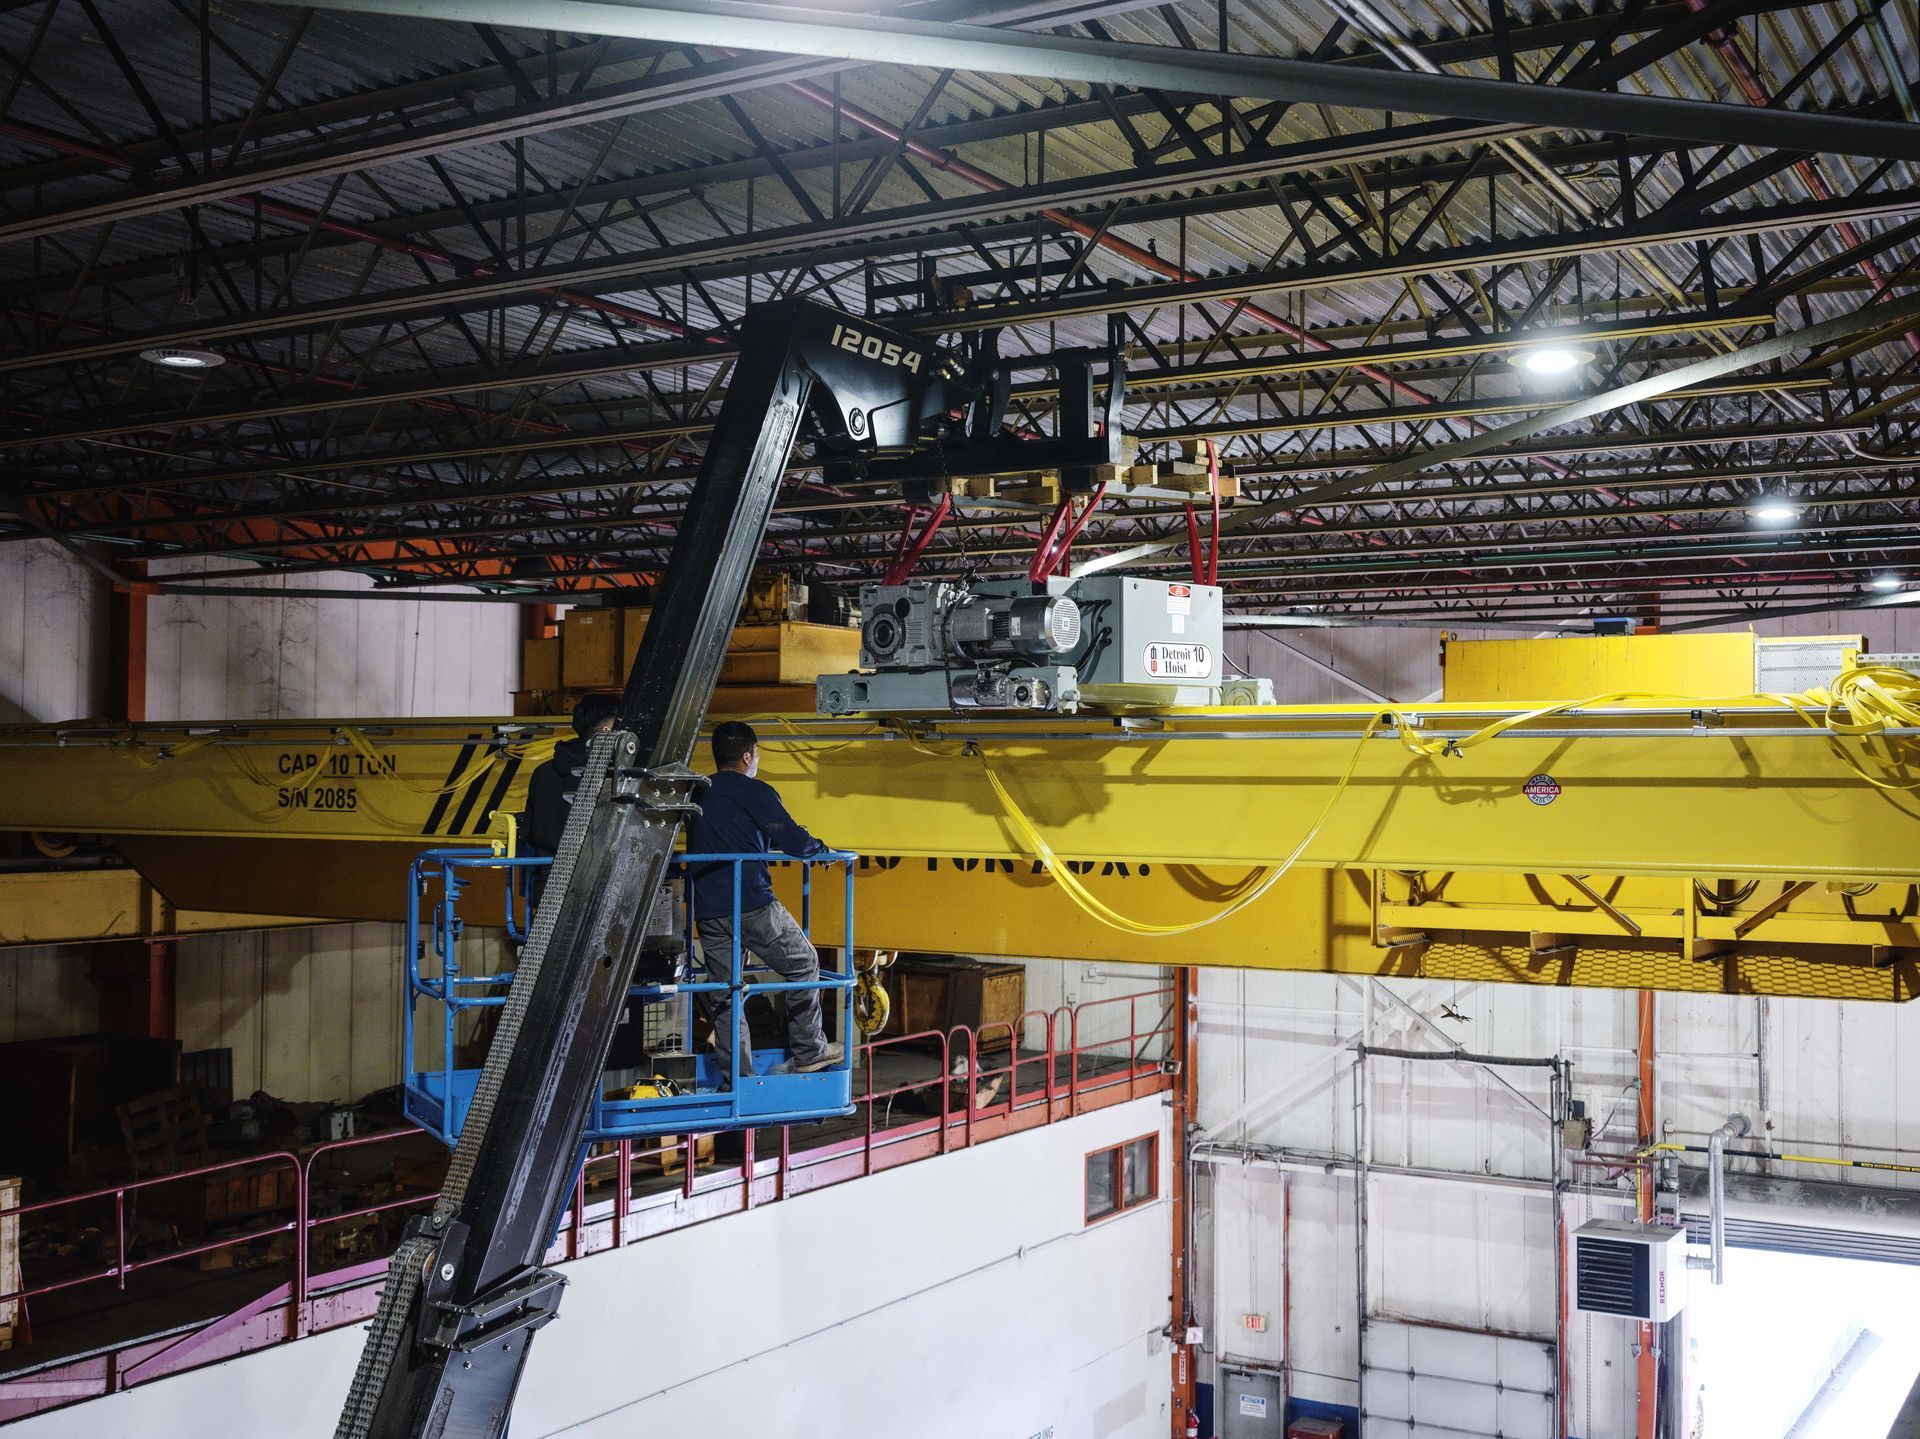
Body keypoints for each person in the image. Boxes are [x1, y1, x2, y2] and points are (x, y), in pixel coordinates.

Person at [686, 720, 844, 1080]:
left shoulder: (698, 792)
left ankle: (737, 1077)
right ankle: (809, 1051)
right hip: (752, 903)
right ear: (747, 755)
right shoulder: (755, 791)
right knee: (804, 963)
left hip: (708, 909)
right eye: (756, 754)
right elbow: (791, 838)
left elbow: (730, 834)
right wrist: (821, 851)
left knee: (726, 992)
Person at [522, 692, 619, 908]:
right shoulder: (611, 775)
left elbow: (531, 832)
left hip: (547, 886)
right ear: (607, 731)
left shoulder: (542, 773)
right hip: (596, 888)